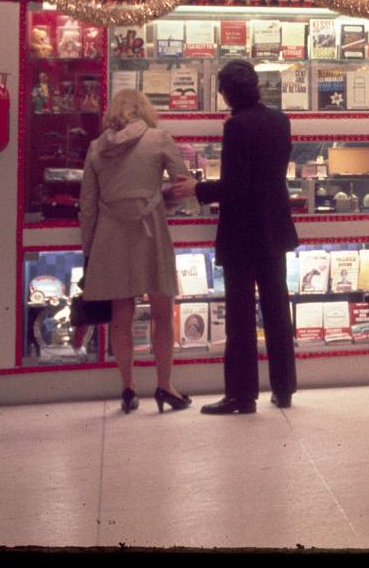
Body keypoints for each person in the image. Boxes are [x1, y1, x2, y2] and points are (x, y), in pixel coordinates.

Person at [185, 60, 298, 415]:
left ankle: (241, 395)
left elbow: (235, 187)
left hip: (242, 232)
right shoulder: (280, 121)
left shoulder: (236, 126)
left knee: (240, 315)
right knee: (277, 310)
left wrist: (197, 188)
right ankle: (284, 389)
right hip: (275, 227)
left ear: (226, 93)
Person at [79, 88, 195, 414]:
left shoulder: (96, 148)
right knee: (161, 311)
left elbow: (87, 206)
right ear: (144, 111)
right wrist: (161, 202)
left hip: (110, 234)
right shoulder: (159, 139)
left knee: (121, 315)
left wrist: (90, 250)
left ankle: (128, 388)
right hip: (151, 229)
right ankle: (164, 386)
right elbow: (183, 184)